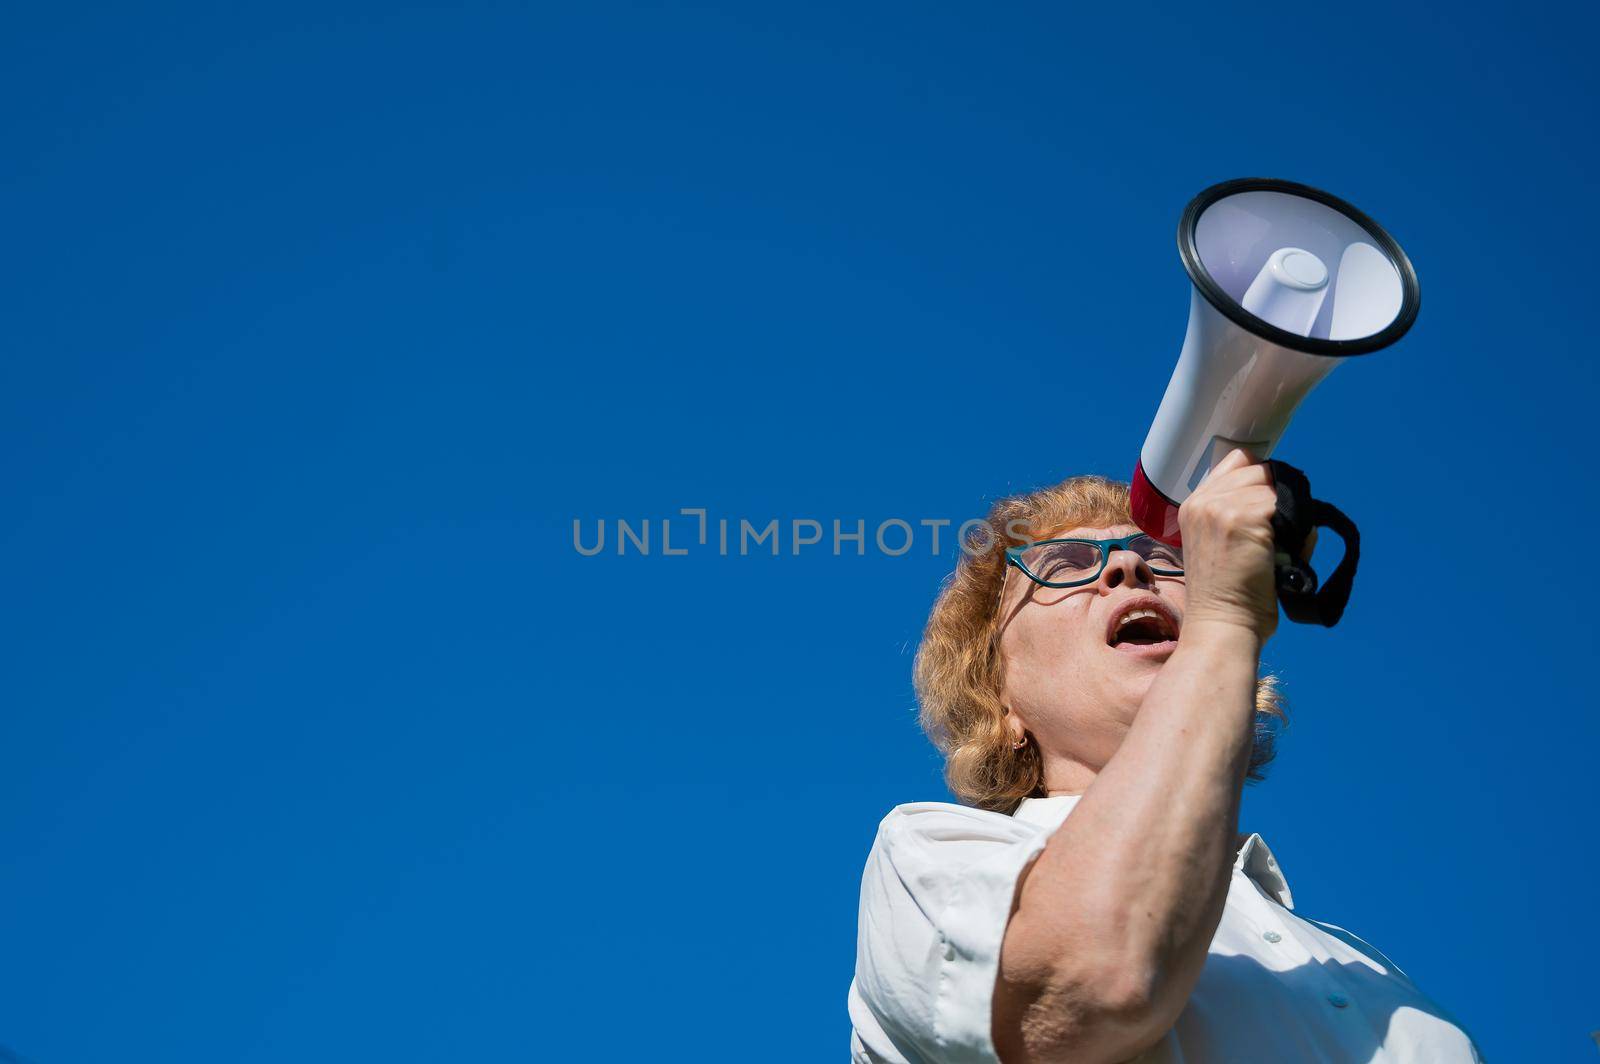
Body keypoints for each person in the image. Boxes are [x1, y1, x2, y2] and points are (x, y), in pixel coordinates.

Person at [847, 450, 1481, 1063]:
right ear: (1001, 701)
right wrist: (1226, 620)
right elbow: (1089, 986)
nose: (1128, 567)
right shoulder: (929, 859)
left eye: (1165, 557)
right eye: (1066, 565)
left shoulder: (1365, 968)